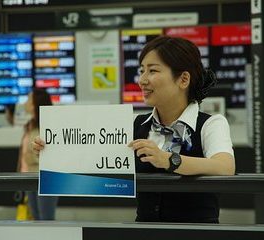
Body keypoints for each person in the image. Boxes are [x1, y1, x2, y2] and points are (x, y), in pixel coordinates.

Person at [32, 36, 235, 223]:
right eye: (141, 70)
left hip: (198, 234)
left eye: (152, 70)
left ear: (183, 79)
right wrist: (54, 150)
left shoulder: (211, 123)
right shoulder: (136, 125)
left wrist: (169, 160)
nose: (142, 80)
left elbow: (225, 167)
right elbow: (93, 159)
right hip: (144, 232)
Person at [18, 88, 58, 220]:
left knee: (45, 217)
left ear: (36, 103)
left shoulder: (50, 126)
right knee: (35, 216)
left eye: (29, 99)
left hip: (46, 177)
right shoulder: (30, 125)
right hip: (29, 177)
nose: (25, 103)